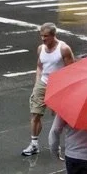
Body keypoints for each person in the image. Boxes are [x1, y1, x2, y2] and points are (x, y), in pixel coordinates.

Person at [21, 23, 75, 156]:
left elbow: (71, 71)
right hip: (43, 83)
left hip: (59, 85)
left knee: (61, 118)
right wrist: (38, 81)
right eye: (41, 36)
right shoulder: (41, 48)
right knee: (35, 114)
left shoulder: (64, 49)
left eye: (46, 36)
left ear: (53, 35)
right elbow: (39, 66)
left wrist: (63, 89)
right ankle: (34, 144)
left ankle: (66, 143)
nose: (43, 39)